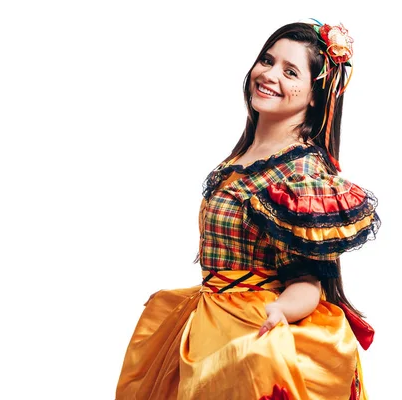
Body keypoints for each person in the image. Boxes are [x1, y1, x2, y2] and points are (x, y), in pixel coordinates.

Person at [115, 19, 381, 400]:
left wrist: (279, 312)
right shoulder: (242, 158)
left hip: (254, 331)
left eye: (290, 72)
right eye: (267, 61)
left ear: (312, 95)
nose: (270, 75)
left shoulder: (301, 173)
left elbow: (309, 282)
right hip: (213, 319)